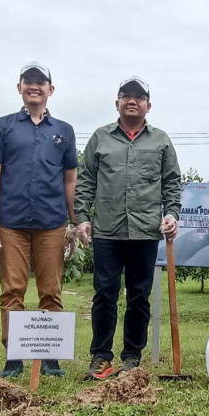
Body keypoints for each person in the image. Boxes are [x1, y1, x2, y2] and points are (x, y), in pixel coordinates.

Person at [75, 76, 181, 380]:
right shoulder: (100, 137)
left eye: (138, 96)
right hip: (107, 231)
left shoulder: (160, 140)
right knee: (105, 294)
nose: (132, 100)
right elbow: (85, 181)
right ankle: (101, 358)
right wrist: (83, 217)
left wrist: (171, 213)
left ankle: (132, 358)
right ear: (117, 102)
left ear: (148, 104)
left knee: (138, 296)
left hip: (145, 231)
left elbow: (172, 182)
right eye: (126, 95)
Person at [0, 62, 78, 378]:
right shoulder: (2, 127)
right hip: (11, 222)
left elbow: (69, 179)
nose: (34, 86)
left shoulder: (64, 131)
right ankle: (14, 359)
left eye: (40, 82)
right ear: (19, 88)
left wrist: (73, 222)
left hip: (52, 223)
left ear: (50, 89)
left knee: (51, 290)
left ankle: (50, 359)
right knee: (12, 289)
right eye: (28, 81)